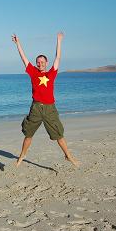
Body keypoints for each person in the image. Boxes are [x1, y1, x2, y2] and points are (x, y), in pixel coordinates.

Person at [11, 32, 79, 168]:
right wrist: (18, 43)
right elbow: (23, 58)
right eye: (38, 62)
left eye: (42, 62)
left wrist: (59, 41)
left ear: (46, 63)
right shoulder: (33, 72)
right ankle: (22, 155)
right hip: (36, 107)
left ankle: (68, 155)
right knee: (28, 134)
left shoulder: (52, 73)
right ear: (36, 63)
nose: (40, 64)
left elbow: (58, 57)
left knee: (59, 134)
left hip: (50, 108)